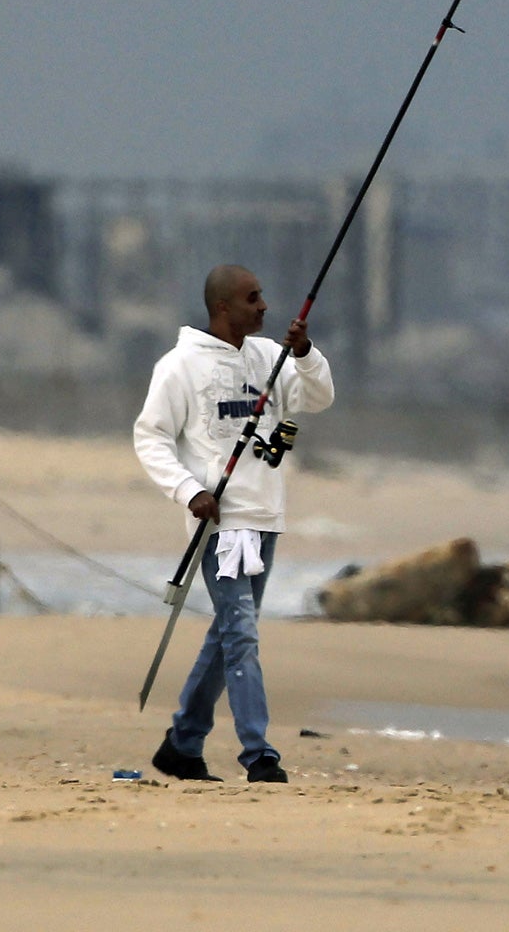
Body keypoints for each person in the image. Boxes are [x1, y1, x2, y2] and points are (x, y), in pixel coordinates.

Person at [133, 264, 335, 784]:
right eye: (253, 298)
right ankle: (258, 753)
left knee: (228, 634)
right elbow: (150, 437)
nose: (264, 306)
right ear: (223, 307)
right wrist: (189, 491)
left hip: (267, 515)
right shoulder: (179, 365)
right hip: (220, 522)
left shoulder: (271, 356)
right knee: (242, 633)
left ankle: (183, 742)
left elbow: (317, 399)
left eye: (263, 296)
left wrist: (306, 353)